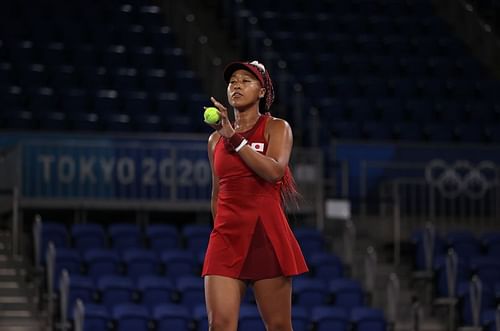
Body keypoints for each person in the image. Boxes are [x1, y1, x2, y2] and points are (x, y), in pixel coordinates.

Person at [202, 60, 309, 331]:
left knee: (279, 326)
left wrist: (234, 138)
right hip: (227, 236)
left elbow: (274, 171)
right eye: (232, 81)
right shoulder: (215, 140)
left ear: (262, 92)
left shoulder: (277, 128)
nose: (236, 85)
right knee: (220, 325)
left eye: (245, 80)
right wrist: (224, 230)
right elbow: (217, 194)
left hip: (266, 234)